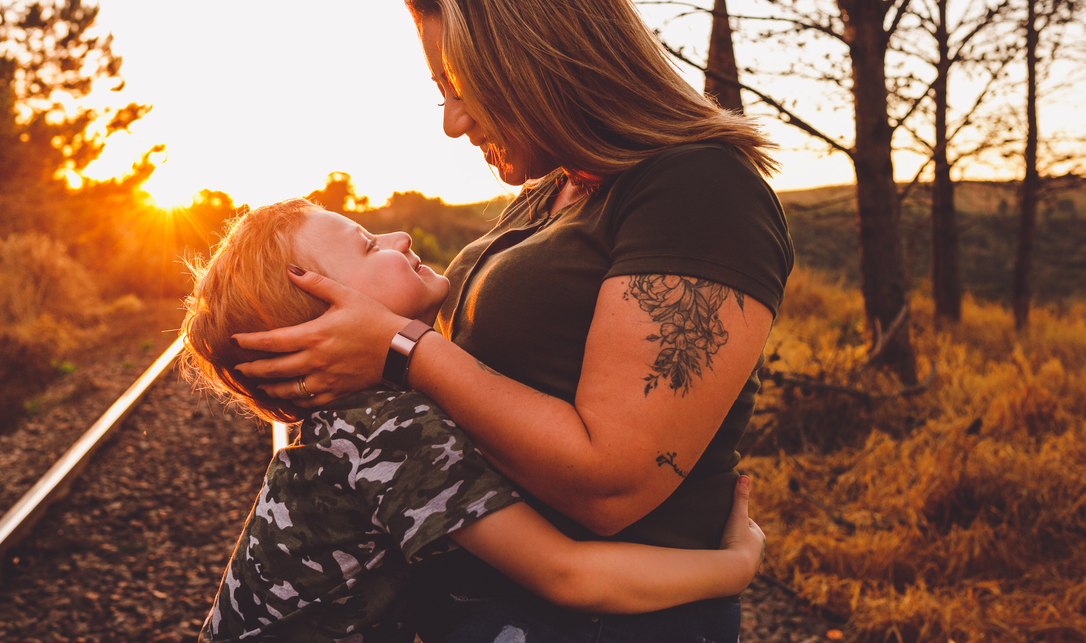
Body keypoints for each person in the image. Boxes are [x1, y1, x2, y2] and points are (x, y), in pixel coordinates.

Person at [235, 0, 794, 643]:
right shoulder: (548, 193)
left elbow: (611, 483)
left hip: (605, 622)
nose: (452, 122)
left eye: (461, 86)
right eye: (440, 90)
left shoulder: (699, 189)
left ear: (538, 59)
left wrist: (403, 350)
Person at [182, 198, 765, 643]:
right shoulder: (388, 430)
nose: (400, 235)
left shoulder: (355, 422)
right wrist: (730, 570)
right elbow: (567, 575)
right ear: (327, 317)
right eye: (367, 245)